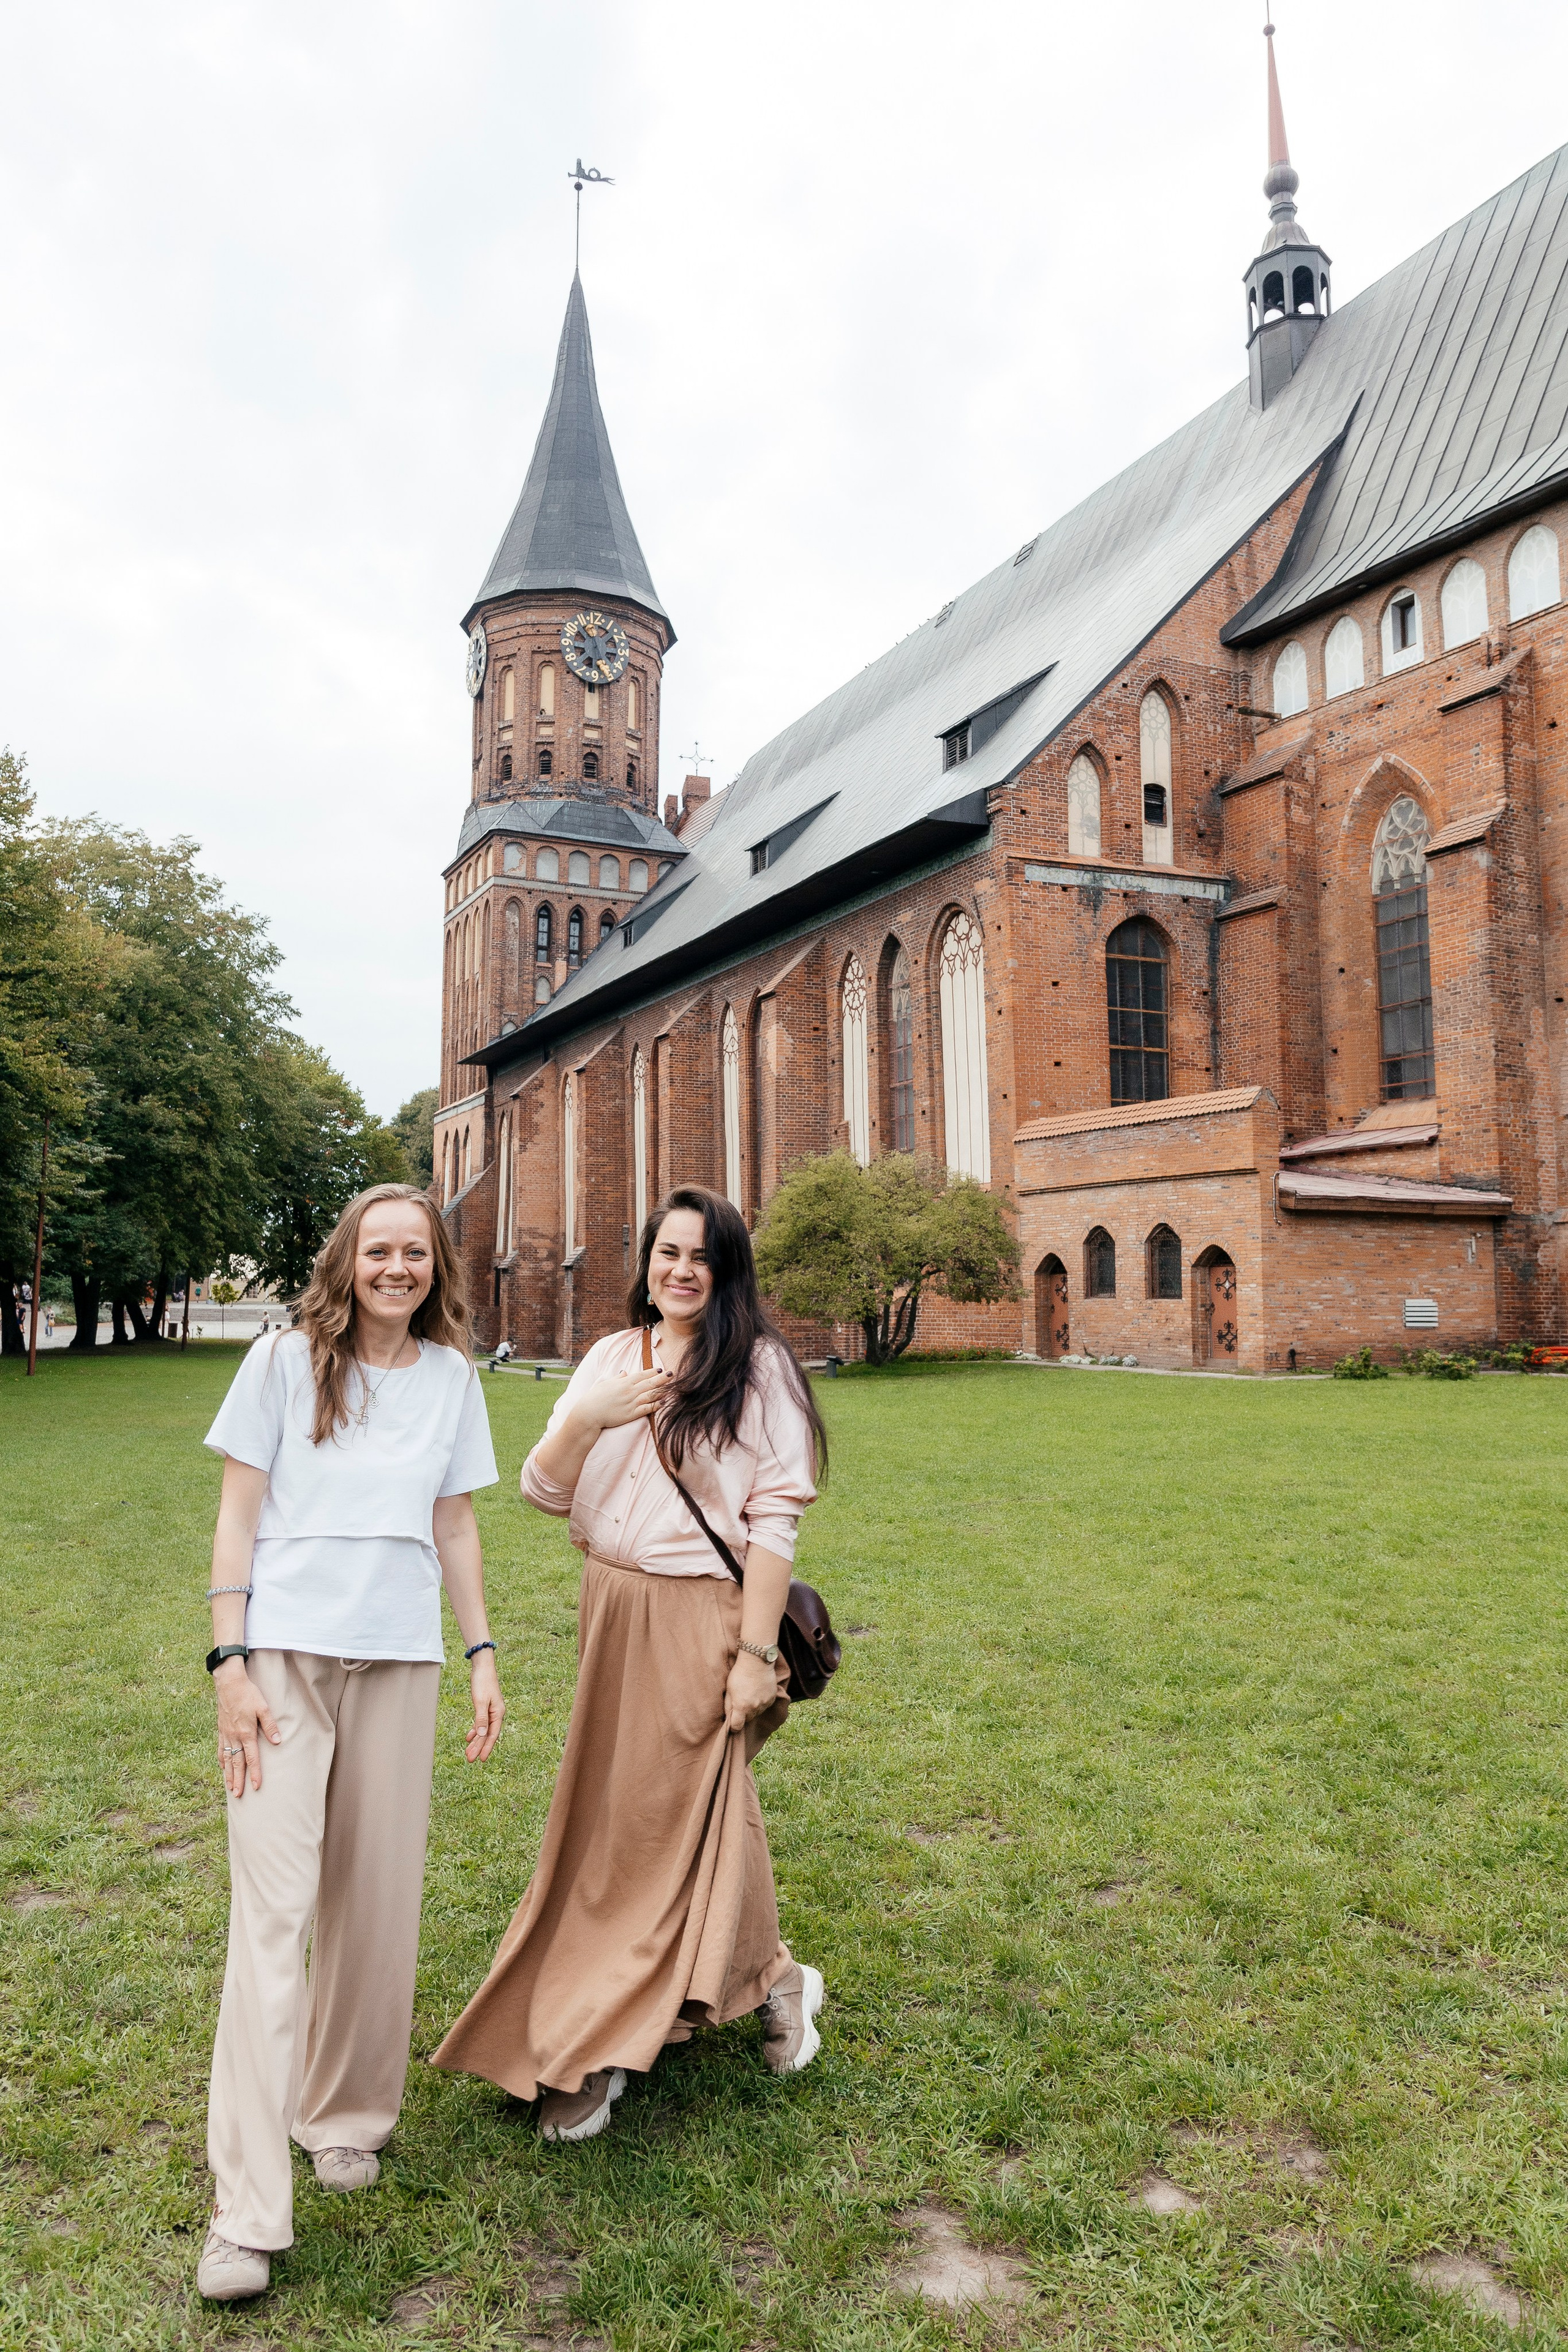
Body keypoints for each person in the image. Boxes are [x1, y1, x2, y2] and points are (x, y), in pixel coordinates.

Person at [433, 1183, 827, 2143]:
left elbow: (774, 1520)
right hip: (608, 1608)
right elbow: (539, 1490)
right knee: (651, 1813)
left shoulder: (756, 1368)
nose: (682, 1270)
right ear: (645, 1264)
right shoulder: (612, 1358)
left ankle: (604, 2044)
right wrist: (587, 1415)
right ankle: (773, 1978)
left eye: (702, 1256)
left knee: (654, 1820)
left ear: (726, 1271)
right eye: (667, 1253)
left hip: (702, 1616)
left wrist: (746, 1655)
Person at [195, 1182, 506, 2303]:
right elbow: (237, 1514)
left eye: (414, 1252)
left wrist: (480, 1653)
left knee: (374, 1907)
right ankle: (245, 2212)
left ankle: (345, 2116)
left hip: (401, 1661)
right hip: (280, 1662)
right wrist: (228, 1661)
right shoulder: (283, 1363)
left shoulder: (454, 1380)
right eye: (378, 1250)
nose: (396, 1268)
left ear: (436, 1267)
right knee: (272, 1919)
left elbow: (456, 1522)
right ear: (348, 1259)